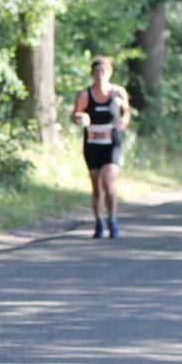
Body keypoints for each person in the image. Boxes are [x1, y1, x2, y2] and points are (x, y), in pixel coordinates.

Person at [71, 56, 131, 239]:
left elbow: (126, 113)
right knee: (97, 186)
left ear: (109, 73)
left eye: (103, 71)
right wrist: (80, 118)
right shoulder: (85, 94)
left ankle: (113, 220)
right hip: (92, 144)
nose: (100, 75)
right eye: (97, 71)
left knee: (108, 181)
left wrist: (123, 121)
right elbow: (75, 115)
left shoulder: (118, 93)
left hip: (112, 142)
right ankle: (99, 223)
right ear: (92, 74)